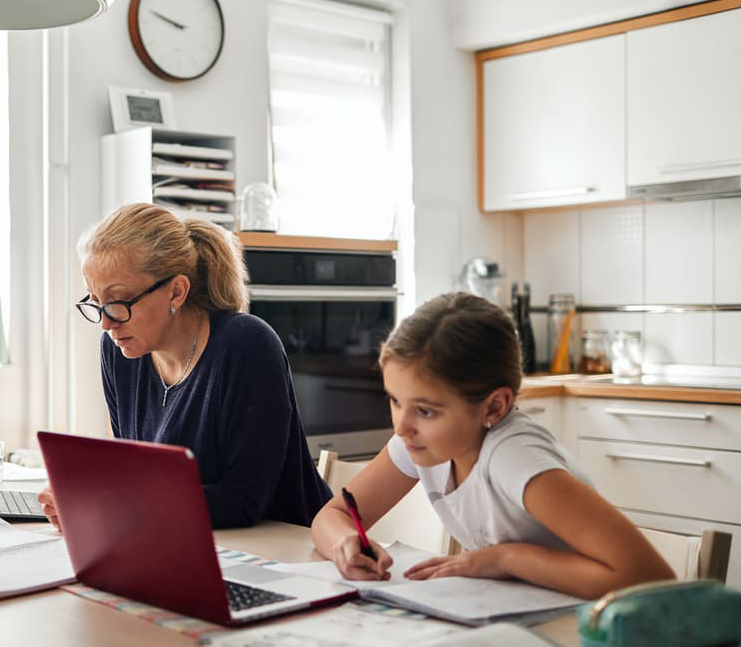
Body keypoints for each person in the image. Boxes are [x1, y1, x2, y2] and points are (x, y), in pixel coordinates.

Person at [310, 292, 674, 599]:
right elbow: (332, 516)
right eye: (395, 401)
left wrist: (503, 559)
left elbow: (650, 579)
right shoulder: (421, 441)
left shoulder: (514, 458)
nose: (401, 426)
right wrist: (346, 544)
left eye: (425, 410)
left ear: (494, 407)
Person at [38, 203, 331, 530]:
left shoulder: (248, 345)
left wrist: (113, 503)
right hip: (185, 541)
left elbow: (243, 501)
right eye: (96, 302)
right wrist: (85, 496)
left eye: (118, 302)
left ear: (176, 291)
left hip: (290, 551)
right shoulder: (119, 350)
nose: (106, 323)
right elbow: (135, 475)